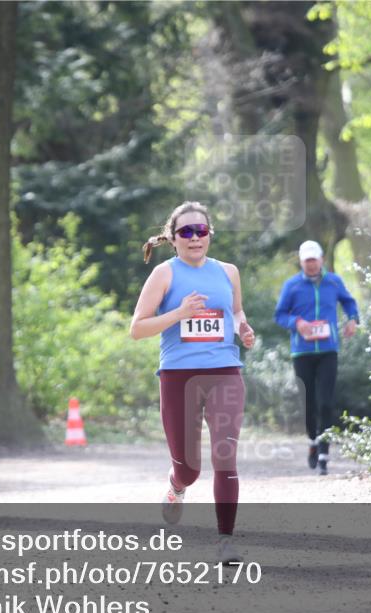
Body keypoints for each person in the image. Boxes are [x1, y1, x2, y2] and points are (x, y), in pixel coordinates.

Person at [130, 201, 256, 565]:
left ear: (210, 235)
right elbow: (137, 328)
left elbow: (235, 313)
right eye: (186, 232)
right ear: (173, 238)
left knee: (225, 455)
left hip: (224, 372)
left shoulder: (228, 272)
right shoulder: (164, 275)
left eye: (201, 231)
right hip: (179, 377)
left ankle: (225, 540)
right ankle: (176, 485)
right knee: (190, 468)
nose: (195, 237)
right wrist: (179, 313)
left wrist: (243, 330)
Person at [273, 240, 359, 475]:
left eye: (314, 260)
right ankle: (312, 441)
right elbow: (279, 314)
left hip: (328, 349)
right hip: (302, 351)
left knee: (326, 402)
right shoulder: (292, 286)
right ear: (302, 262)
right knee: (309, 402)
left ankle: (324, 453)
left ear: (321, 260)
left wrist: (353, 319)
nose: (311, 265)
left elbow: (349, 302)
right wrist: (297, 323)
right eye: (307, 261)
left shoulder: (334, 281)